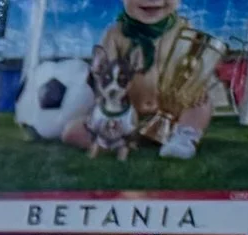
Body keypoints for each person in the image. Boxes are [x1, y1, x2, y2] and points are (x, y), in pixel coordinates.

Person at [62, 0, 218, 160]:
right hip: (127, 116)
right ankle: (120, 139)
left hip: (173, 114)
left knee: (201, 104)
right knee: (72, 131)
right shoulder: (116, 34)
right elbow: (104, 76)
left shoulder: (185, 29)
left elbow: (196, 64)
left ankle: (183, 139)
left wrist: (197, 85)